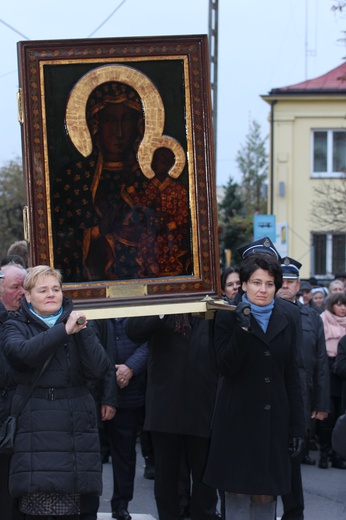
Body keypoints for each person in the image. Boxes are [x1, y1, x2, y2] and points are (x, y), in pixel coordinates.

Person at [52, 81, 191, 282]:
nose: (119, 132)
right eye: (109, 120)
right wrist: (98, 232)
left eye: (126, 120)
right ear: (94, 124)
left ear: (140, 126)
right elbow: (63, 239)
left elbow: (173, 230)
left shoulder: (148, 178)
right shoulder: (75, 177)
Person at [203, 251, 306, 520]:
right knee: (236, 491)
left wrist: (298, 426)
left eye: (270, 283)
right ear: (244, 284)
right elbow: (226, 366)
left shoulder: (289, 315)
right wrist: (242, 329)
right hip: (237, 421)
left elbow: (292, 372)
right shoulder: (226, 314)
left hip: (274, 422)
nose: (263, 289)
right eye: (257, 282)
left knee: (266, 493)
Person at [3, 265, 110, 520]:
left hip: (76, 426)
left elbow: (98, 369)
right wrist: (63, 330)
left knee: (77, 507)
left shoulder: (78, 322)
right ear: (27, 296)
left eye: (56, 289)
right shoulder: (14, 324)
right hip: (36, 426)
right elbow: (23, 356)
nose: (51, 294)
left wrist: (81, 331)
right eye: (43, 290)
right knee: (37, 506)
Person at [125, 313, 220, 520]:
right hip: (166, 407)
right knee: (167, 482)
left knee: (205, 484)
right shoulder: (162, 303)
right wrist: (163, 309)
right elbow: (133, 330)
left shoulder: (211, 303)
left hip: (205, 405)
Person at [276, 256, 330, 520]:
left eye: (291, 281)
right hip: (273, 397)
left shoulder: (312, 317)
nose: (286, 286)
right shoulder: (268, 311)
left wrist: (320, 404)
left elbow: (321, 362)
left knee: (294, 461)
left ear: (299, 286)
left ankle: (294, 514)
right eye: (282, 281)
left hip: (302, 399)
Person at [90, 317, 149, 520]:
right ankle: (89, 504)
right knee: (91, 453)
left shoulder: (136, 305)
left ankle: (121, 504)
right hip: (95, 392)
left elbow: (149, 342)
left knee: (125, 453)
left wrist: (130, 367)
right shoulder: (95, 304)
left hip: (129, 391)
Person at [0, 263, 26, 520]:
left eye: (23, 287)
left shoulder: (31, 320)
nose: (21, 292)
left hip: (24, 415)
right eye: (14, 287)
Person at [318, 292, 346, 469]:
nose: (342, 308)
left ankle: (338, 455)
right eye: (338, 304)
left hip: (342, 378)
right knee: (327, 417)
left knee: (339, 417)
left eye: (344, 305)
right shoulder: (323, 320)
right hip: (327, 371)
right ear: (331, 306)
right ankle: (324, 453)